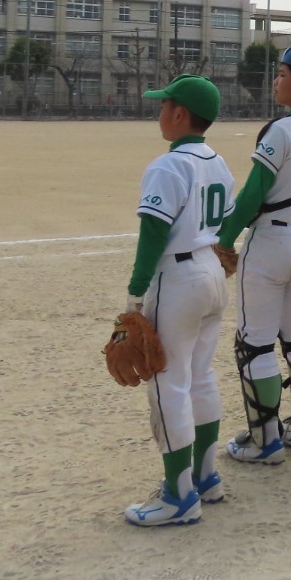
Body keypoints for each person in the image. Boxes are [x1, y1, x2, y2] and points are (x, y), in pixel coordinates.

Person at [121, 75, 236, 526]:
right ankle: (206, 476)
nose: (159, 111)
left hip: (179, 277)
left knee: (168, 384)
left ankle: (179, 496)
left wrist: (135, 292)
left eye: (164, 104)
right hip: (211, 271)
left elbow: (153, 232)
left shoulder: (168, 166)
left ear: (180, 114)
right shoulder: (218, 161)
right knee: (202, 376)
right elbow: (227, 223)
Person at [217, 44, 291, 466]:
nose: (277, 80)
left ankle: (264, 440)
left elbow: (253, 193)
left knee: (255, 345)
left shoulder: (283, 130)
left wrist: (224, 238)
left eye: (283, 74)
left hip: (271, 244)